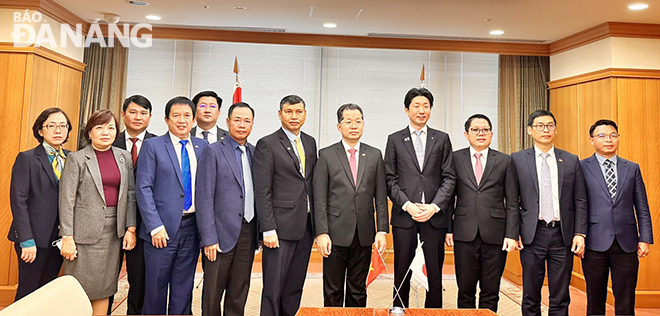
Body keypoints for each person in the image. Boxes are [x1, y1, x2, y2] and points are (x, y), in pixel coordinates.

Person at [59, 109, 137, 315]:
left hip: (113, 233)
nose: (105, 132)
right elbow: (66, 200)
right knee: (79, 287)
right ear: (89, 132)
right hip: (82, 234)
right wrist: (67, 237)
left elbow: (130, 194)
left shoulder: (124, 157)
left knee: (105, 287)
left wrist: (131, 228)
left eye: (111, 128)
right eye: (99, 127)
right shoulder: (77, 159)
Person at [384, 87, 456, 308]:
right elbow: (389, 179)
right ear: (407, 110)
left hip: (434, 217)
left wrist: (434, 207)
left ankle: (433, 312)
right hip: (405, 217)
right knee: (402, 269)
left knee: (434, 272)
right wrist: (407, 205)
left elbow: (449, 177)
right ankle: (398, 309)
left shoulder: (442, 139)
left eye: (426, 106)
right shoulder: (395, 139)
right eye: (416, 105)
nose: (421, 110)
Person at [511, 110, 587, 316]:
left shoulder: (570, 160)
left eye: (550, 125)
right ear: (529, 130)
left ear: (556, 129)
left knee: (560, 295)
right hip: (532, 234)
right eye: (539, 126)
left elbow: (580, 200)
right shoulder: (517, 160)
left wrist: (580, 233)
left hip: (562, 235)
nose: (546, 130)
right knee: (530, 295)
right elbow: (511, 201)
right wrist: (513, 232)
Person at [137, 96, 208, 315]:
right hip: (161, 230)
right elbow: (143, 188)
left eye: (187, 116)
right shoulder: (153, 146)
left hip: (192, 227)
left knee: (183, 286)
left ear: (194, 120)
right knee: (156, 286)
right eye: (176, 116)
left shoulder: (203, 146)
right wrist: (155, 226)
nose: (182, 121)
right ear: (167, 120)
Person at [313, 103, 389, 307]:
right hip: (334, 233)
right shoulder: (326, 155)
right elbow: (319, 197)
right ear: (339, 126)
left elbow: (381, 197)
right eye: (348, 122)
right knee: (333, 290)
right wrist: (321, 232)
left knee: (358, 290)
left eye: (358, 121)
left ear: (363, 124)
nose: (354, 126)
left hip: (364, 233)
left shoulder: (374, 155)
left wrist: (382, 230)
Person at [445, 114, 519, 312]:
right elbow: (448, 198)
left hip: (495, 233)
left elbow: (512, 201)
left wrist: (512, 234)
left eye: (485, 130)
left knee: (491, 289)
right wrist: (448, 229)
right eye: (475, 130)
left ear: (492, 134)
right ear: (466, 134)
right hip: (463, 232)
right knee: (465, 289)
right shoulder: (454, 158)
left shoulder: (505, 161)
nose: (481, 133)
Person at [581, 119, 653, 315]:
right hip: (593, 242)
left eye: (613, 135)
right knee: (595, 298)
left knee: (626, 297)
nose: (608, 140)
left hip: (627, 242)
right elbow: (578, 206)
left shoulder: (632, 168)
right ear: (592, 140)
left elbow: (642, 207)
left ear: (618, 138)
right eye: (602, 136)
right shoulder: (581, 167)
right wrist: (578, 235)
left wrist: (645, 238)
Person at [254, 95, 317, 316]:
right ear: (280, 114)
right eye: (289, 111)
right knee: (273, 288)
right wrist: (268, 228)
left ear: (305, 114)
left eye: (299, 111)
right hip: (278, 229)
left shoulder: (310, 142)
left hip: (305, 227)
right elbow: (262, 190)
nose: (294, 116)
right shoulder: (267, 144)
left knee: (294, 287)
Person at [196, 102, 258, 316]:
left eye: (247, 121)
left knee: (239, 291)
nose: (242, 125)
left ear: (252, 124)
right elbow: (204, 197)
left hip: (248, 232)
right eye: (237, 120)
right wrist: (209, 238)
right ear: (228, 122)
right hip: (219, 235)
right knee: (213, 293)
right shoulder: (212, 152)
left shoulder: (255, 152)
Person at [9, 108, 72, 300]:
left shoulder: (72, 158)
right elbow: (18, 201)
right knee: (28, 293)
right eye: (51, 125)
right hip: (34, 239)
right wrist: (26, 240)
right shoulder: (27, 159)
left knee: (48, 293)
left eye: (63, 126)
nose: (58, 130)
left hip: (60, 238)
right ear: (40, 130)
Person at [108, 94, 156, 315]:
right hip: (108, 223)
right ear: (123, 114)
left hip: (143, 223)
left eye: (143, 113)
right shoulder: (107, 140)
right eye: (133, 112)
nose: (138, 117)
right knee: (105, 277)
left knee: (140, 278)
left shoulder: (159, 144)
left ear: (150, 117)